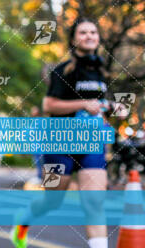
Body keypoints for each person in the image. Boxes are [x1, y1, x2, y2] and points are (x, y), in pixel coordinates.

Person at [11, 18, 128, 248]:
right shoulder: (62, 70)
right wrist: (82, 104)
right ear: (74, 39)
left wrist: (113, 107)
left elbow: (98, 104)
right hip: (59, 142)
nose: (89, 36)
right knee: (52, 201)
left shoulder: (101, 70)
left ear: (98, 37)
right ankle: (24, 219)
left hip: (90, 143)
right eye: (83, 32)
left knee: (94, 203)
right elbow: (49, 105)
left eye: (93, 32)